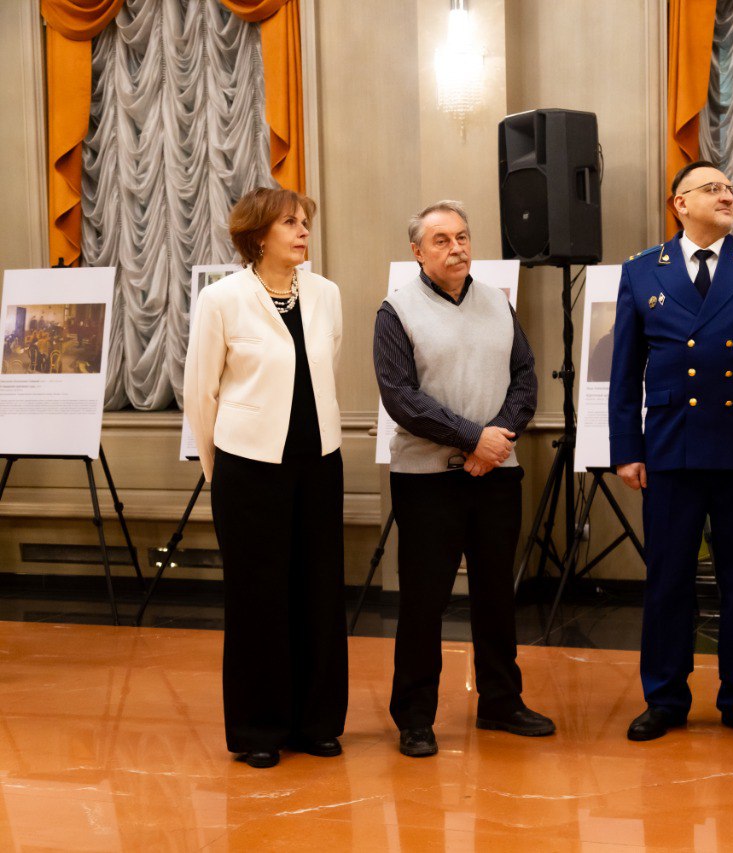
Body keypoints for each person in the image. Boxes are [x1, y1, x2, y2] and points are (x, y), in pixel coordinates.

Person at [610, 161, 733, 743]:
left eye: (729, 189)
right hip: (670, 446)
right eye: (712, 189)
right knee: (667, 579)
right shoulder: (642, 270)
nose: (726, 196)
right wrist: (626, 448)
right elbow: (625, 371)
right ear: (680, 204)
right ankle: (665, 698)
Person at [374, 200, 554, 758]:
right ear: (417, 252)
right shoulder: (396, 311)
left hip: (496, 475)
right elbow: (400, 397)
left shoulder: (497, 302)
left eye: (462, 237)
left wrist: (495, 440)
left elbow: (525, 376)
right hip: (426, 481)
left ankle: (501, 701)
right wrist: (473, 438)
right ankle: (414, 717)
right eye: (442, 240)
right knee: (423, 601)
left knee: (496, 595)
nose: (457, 248)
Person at [183, 187, 347, 770]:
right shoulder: (221, 299)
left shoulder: (326, 294)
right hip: (248, 469)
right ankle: (258, 728)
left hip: (320, 463)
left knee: (319, 592)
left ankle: (317, 723)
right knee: (258, 599)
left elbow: (327, 367)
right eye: (290, 223)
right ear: (257, 235)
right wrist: (219, 471)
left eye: (305, 221)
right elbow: (201, 392)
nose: (303, 231)